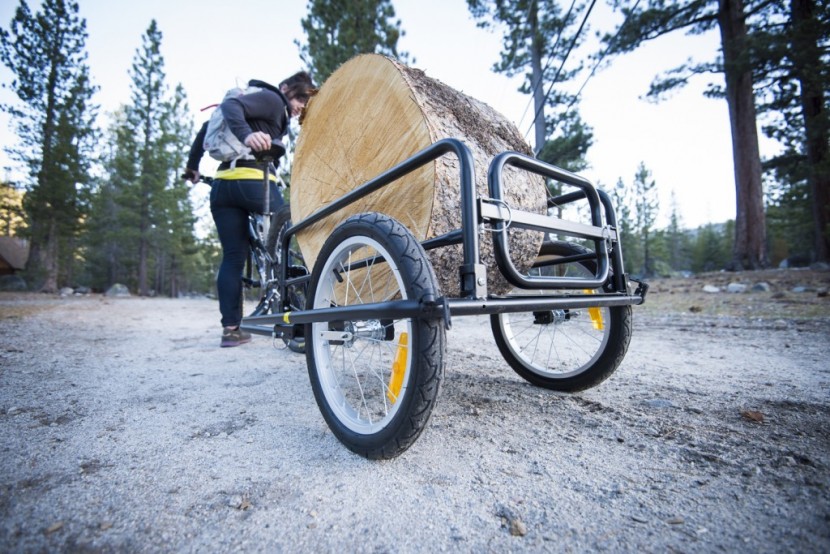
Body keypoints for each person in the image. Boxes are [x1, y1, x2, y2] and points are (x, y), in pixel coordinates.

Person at [185, 71, 316, 347]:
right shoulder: (271, 99)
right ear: (285, 89)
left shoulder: (262, 104)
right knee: (290, 240)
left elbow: (207, 127)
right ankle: (303, 320)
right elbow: (229, 107)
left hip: (223, 186)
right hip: (256, 182)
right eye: (300, 98)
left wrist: (192, 167)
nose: (300, 107)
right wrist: (248, 135)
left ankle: (231, 330)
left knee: (233, 257)